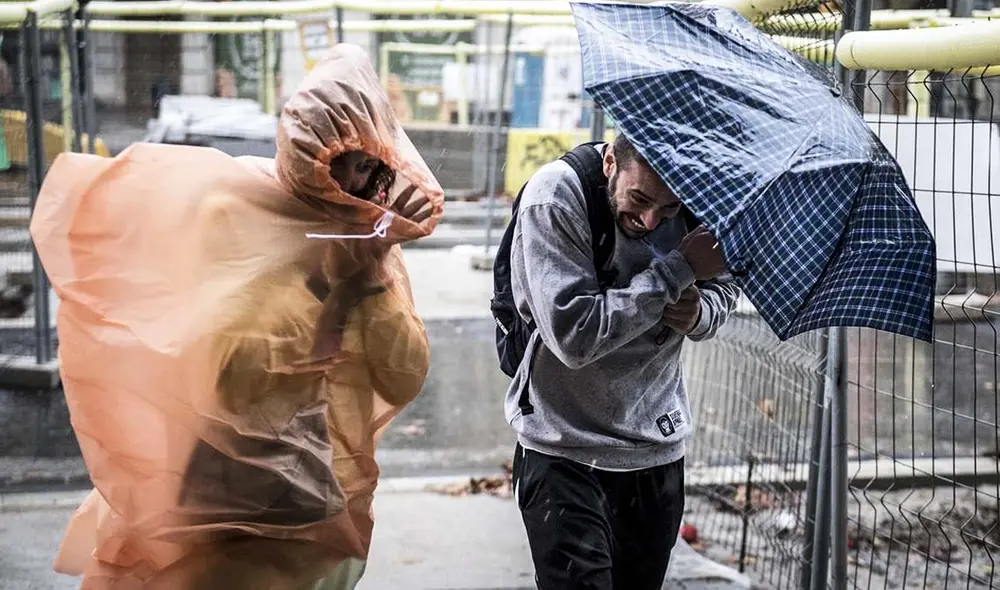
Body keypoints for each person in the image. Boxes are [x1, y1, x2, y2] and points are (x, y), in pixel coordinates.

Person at [36, 44, 444, 590]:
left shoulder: (363, 238)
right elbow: (233, 366)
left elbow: (403, 374)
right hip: (221, 481)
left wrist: (368, 273)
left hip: (301, 486)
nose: (363, 184)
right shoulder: (239, 209)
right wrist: (339, 282)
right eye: (353, 161)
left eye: (374, 165)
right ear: (313, 148)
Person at [506, 134, 741, 590]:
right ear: (611, 161)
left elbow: (725, 286)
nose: (650, 220)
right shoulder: (555, 197)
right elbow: (573, 337)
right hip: (563, 448)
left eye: (669, 210)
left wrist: (699, 314)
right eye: (639, 198)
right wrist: (677, 271)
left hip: (656, 447)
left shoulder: (704, 199)